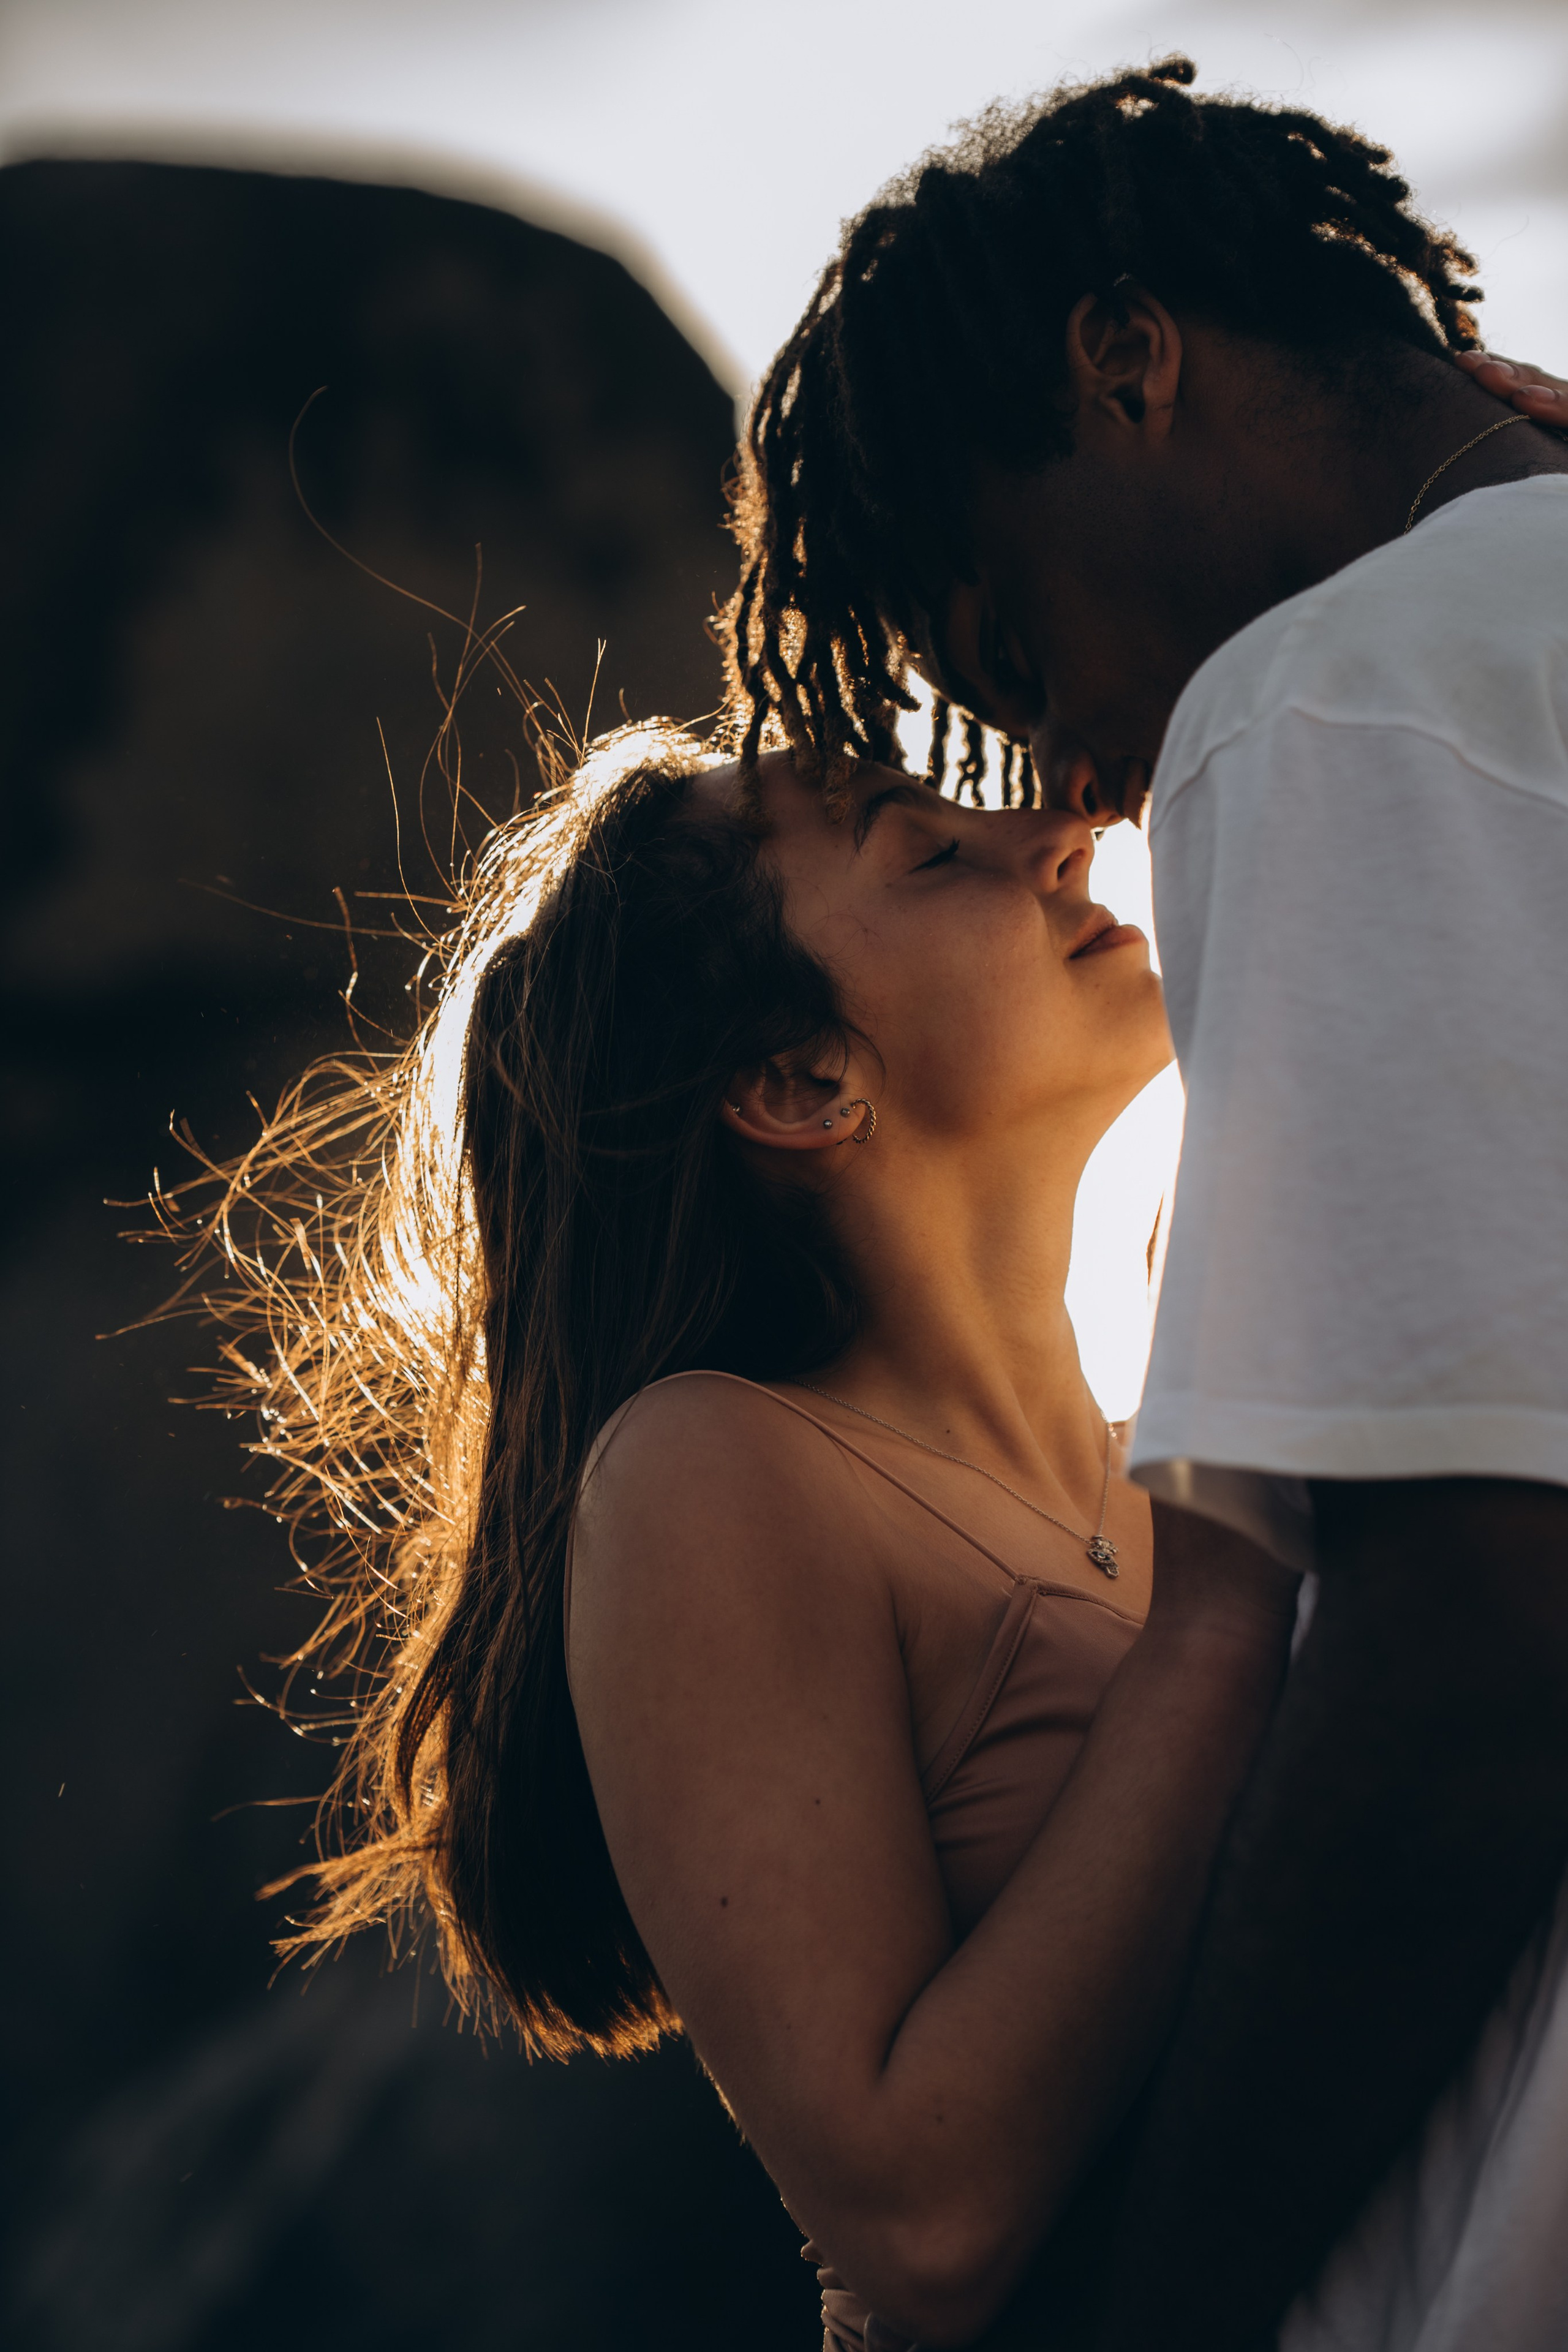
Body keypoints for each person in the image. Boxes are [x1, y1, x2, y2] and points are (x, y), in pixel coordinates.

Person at [721, 53, 1568, 2352]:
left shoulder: (1335, 693)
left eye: (1011, 662)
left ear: (1126, 362)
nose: (1076, 781)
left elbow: (1484, 1611)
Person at [187, 714, 1305, 2350]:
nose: (1054, 837)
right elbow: (922, 2223)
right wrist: (1223, 1612)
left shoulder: (1182, 1477)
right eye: (929, 852)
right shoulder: (711, 1469)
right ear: (799, 1081)